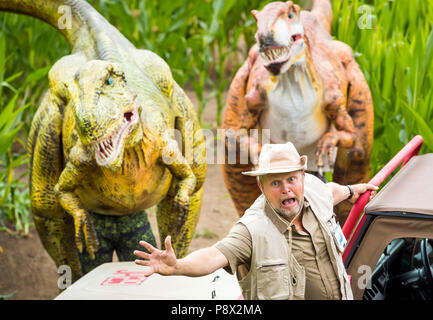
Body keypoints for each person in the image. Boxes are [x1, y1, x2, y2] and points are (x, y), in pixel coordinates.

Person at [134, 142, 378, 300]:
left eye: (291, 179)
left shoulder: (313, 189)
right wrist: (178, 266)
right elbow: (214, 255)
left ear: (302, 177)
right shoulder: (253, 228)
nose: (286, 189)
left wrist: (351, 189)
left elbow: (330, 192)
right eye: (275, 182)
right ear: (261, 186)